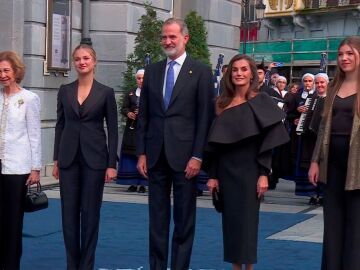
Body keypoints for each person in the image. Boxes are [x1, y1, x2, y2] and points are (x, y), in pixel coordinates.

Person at [136, 18, 214, 270]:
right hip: (156, 155)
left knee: (184, 220)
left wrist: (198, 156)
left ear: (185, 38)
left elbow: (205, 118)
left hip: (186, 159)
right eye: (164, 37)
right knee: (156, 220)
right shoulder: (153, 71)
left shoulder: (201, 71)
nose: (167, 42)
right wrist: (141, 153)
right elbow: (144, 116)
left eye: (172, 37)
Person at [206, 54, 289, 270]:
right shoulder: (220, 104)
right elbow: (215, 146)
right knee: (231, 224)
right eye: (235, 69)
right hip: (226, 171)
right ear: (229, 73)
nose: (239, 73)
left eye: (244, 69)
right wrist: (213, 176)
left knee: (248, 224)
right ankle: (235, 267)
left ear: (252, 73)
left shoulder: (261, 101)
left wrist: (264, 173)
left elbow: (269, 140)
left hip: (251, 170)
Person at [52, 44, 118, 270]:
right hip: (68, 159)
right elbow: (59, 125)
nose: (82, 62)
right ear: (74, 62)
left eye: (86, 58)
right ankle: (72, 264)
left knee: (90, 214)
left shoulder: (106, 92)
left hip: (95, 160)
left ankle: (86, 265)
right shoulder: (64, 90)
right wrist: (57, 160)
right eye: (78, 59)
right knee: (68, 215)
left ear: (94, 61)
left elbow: (113, 128)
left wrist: (111, 164)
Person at [309, 36, 360, 270]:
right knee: (333, 222)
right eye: (340, 54)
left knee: (355, 224)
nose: (344, 58)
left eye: (350, 53)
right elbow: (322, 128)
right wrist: (314, 161)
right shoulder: (332, 88)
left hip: (357, 165)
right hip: (332, 163)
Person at [0, 51, 41, 270]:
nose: (3, 75)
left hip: (17, 168)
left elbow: (34, 134)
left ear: (16, 71)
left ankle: (11, 264)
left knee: (13, 221)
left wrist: (36, 168)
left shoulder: (29, 98)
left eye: (6, 70)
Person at [117, 69, 147, 193]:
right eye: (138, 78)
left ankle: (143, 184)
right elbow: (123, 108)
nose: (141, 80)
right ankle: (132, 183)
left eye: (143, 78)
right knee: (130, 155)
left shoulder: (151, 93)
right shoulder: (130, 93)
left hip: (145, 129)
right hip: (132, 129)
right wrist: (128, 113)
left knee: (143, 155)